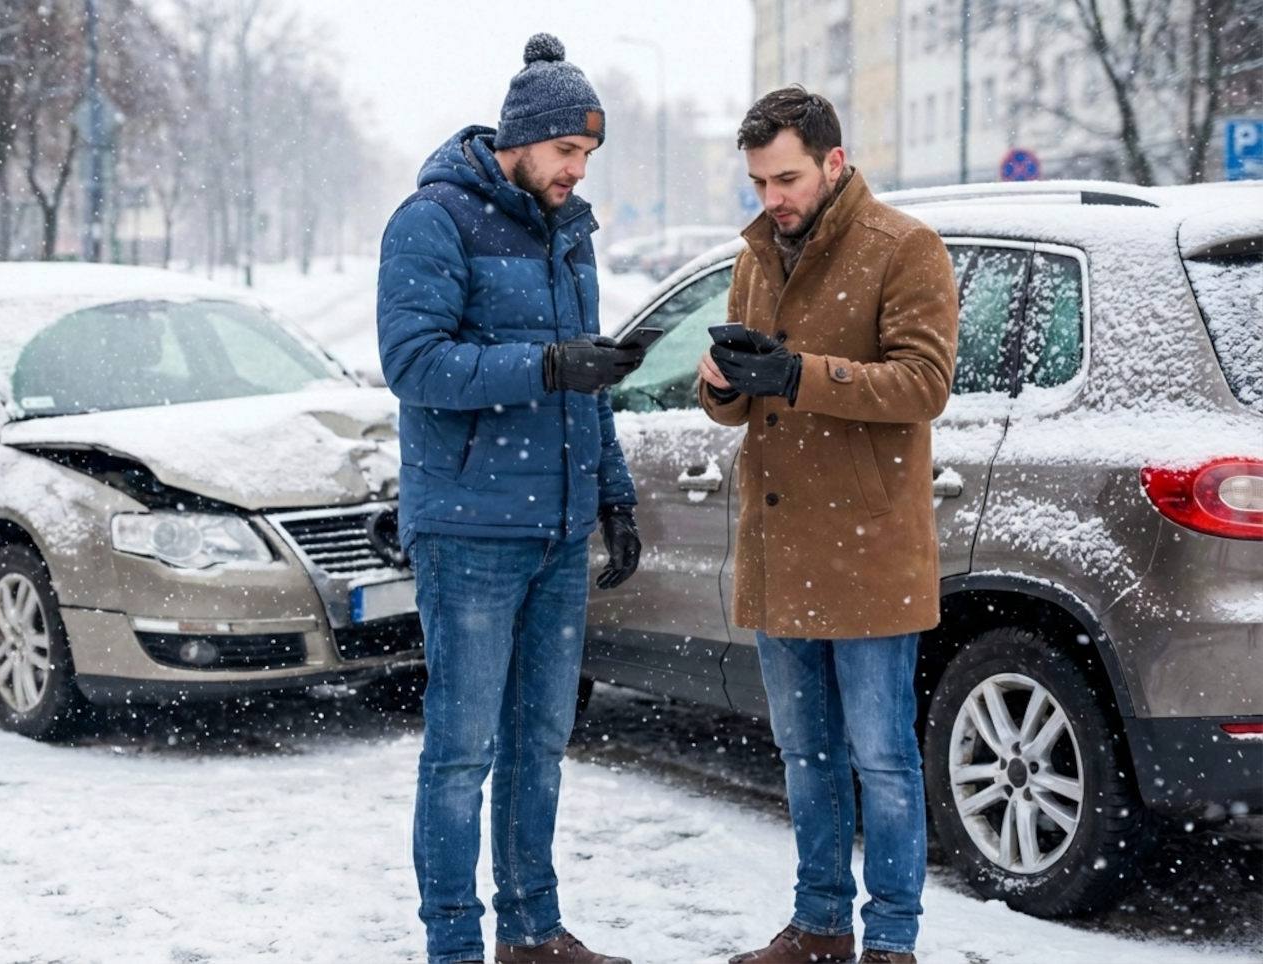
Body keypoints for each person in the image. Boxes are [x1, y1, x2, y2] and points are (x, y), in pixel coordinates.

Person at [376, 32, 642, 964]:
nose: (577, 171)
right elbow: (412, 364)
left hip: (560, 532)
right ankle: (454, 943)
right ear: (521, 140)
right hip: (471, 531)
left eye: (588, 155)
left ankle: (532, 930)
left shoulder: (570, 233)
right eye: (567, 152)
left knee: (540, 745)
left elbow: (587, 381)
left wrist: (615, 493)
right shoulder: (433, 219)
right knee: (461, 754)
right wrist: (544, 364)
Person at [696, 86, 959, 964]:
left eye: (787, 177)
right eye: (760, 181)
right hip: (780, 550)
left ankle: (890, 941)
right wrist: (725, 385)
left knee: (881, 759)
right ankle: (818, 927)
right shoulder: (755, 254)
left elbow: (924, 386)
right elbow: (735, 406)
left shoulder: (904, 248)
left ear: (834, 162)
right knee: (803, 755)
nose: (773, 197)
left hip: (869, 551)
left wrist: (798, 373)